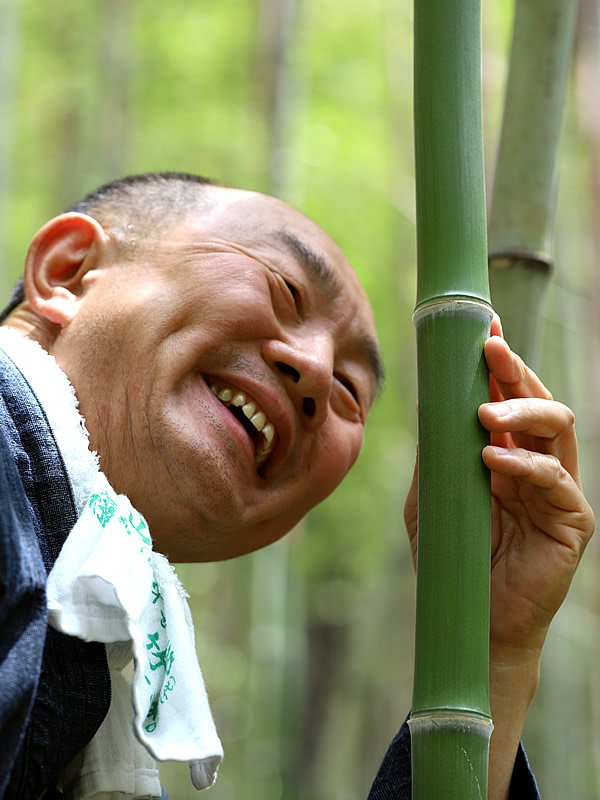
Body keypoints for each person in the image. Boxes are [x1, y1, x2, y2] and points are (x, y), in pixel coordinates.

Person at [0, 171, 593, 800]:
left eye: (347, 390)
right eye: (283, 287)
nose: (313, 371)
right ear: (69, 270)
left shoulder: (98, 676)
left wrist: (489, 657)